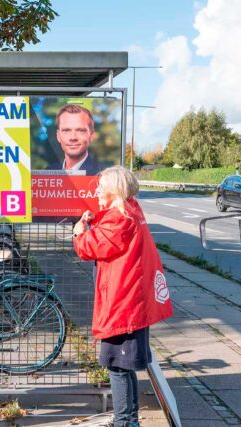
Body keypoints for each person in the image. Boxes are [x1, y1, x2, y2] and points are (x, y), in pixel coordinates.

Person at [72, 166, 174, 426]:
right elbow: (109, 236)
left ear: (114, 191)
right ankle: (129, 420)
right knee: (125, 367)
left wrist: (79, 231)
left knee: (117, 368)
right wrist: (92, 222)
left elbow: (90, 248)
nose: (96, 192)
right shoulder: (131, 212)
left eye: (101, 188)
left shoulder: (119, 220)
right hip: (131, 303)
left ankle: (125, 422)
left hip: (123, 306)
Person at [47, 104, 107, 175]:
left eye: (80, 130)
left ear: (91, 135)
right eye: (66, 130)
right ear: (58, 136)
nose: (73, 138)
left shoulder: (103, 175)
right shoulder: (49, 172)